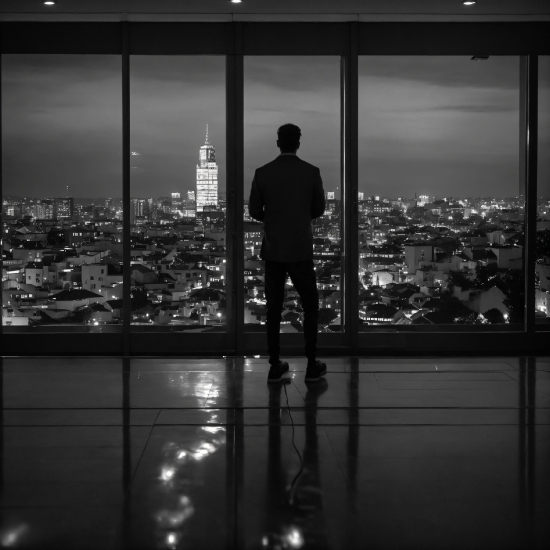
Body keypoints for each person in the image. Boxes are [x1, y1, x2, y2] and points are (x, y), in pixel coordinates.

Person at [248, 123, 327, 383]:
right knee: (311, 306)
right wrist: (300, 217)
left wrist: (274, 217)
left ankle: (274, 364)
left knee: (273, 308)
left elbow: (254, 212)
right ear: (298, 143)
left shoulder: (263, 173)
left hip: (273, 249)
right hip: (301, 248)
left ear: (278, 142)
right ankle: (312, 363)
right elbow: (319, 209)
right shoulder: (311, 172)